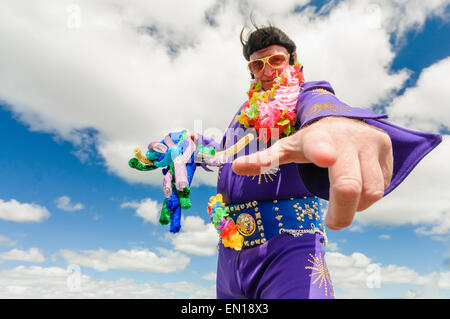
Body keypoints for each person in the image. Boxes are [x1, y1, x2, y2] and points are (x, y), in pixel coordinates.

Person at [141, 25, 442, 299]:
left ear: (293, 60)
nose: (266, 71)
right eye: (257, 64)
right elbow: (224, 153)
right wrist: (191, 144)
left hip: (289, 250)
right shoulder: (243, 114)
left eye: (275, 60)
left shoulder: (302, 95)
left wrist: (329, 119)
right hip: (229, 256)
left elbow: (320, 104)